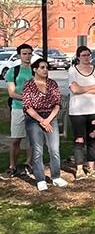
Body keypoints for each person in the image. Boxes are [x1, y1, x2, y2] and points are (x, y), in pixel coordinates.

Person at [22, 58, 68, 191]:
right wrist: (41, 121)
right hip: (33, 118)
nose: (45, 70)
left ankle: (56, 177)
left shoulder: (52, 84)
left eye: (46, 67)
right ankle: (40, 179)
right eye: (42, 67)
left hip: (50, 117)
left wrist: (48, 120)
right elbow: (28, 106)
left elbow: (57, 104)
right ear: (35, 69)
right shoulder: (29, 85)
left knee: (54, 149)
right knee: (37, 150)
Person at [68, 45, 95, 179]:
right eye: (83, 55)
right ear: (78, 57)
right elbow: (74, 89)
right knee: (79, 139)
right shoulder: (72, 70)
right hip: (77, 110)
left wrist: (83, 88)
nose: (87, 57)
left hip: (94, 109)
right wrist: (92, 87)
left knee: (92, 138)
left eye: (88, 55)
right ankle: (79, 169)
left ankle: (91, 167)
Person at [1, 42, 34, 181]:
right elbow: (12, 93)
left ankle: (29, 164)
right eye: (24, 54)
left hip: (34, 110)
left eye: (29, 53)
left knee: (33, 140)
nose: (27, 56)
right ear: (19, 55)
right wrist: (28, 98)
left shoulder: (36, 70)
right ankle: (12, 166)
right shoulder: (13, 71)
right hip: (18, 109)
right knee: (16, 140)